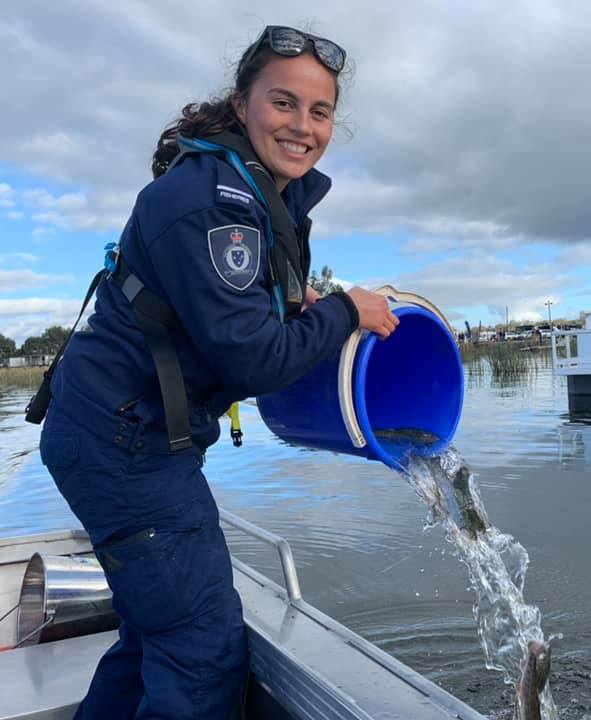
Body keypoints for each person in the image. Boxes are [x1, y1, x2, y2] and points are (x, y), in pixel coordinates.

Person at [36, 25, 398, 719]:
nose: (302, 126)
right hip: (126, 449)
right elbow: (254, 357)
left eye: (319, 112)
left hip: (117, 435)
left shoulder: (254, 188)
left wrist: (304, 306)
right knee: (201, 649)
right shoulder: (214, 202)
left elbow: (233, 313)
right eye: (283, 103)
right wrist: (349, 310)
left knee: (155, 635)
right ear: (242, 103)